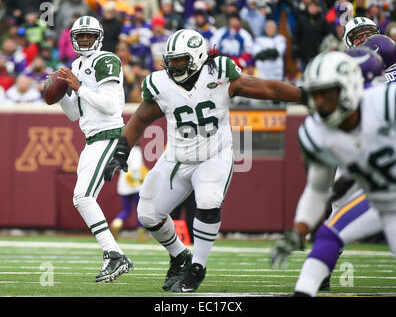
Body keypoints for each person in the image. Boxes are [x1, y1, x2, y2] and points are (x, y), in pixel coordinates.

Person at [103, 29, 306, 293]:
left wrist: (304, 95)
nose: (173, 65)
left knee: (209, 201)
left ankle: (197, 266)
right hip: (176, 157)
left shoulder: (220, 73)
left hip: (214, 155)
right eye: (170, 60)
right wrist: (122, 150)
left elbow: (267, 88)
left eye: (179, 60)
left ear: (197, 58)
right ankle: (179, 256)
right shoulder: (160, 83)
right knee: (148, 214)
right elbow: (141, 117)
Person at [271, 50, 396, 297]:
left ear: (348, 87)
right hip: (381, 201)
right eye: (315, 95)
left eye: (326, 94)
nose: (319, 103)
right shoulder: (316, 133)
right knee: (329, 235)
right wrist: (300, 229)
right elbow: (317, 189)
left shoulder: (386, 102)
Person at [51, 15, 133, 283]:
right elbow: (75, 114)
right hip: (92, 139)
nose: (84, 40)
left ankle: (114, 254)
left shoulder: (107, 60)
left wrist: (79, 87)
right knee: (81, 198)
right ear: (74, 39)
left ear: (98, 37)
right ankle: (115, 254)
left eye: (89, 36)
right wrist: (60, 93)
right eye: (80, 36)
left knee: (83, 196)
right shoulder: (76, 63)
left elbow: (111, 105)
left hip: (109, 136)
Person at [110, 144, 148, 241]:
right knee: (140, 209)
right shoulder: (136, 150)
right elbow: (136, 166)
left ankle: (116, 224)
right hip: (136, 184)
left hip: (123, 185)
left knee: (126, 210)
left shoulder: (121, 150)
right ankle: (141, 233)